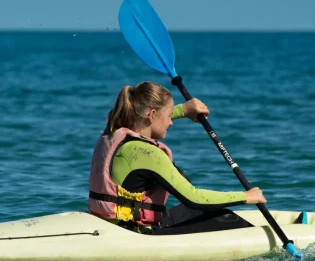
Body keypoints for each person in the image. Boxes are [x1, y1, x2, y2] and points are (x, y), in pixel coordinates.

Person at [88, 81, 266, 235]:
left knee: (195, 212)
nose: (171, 122)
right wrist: (246, 197)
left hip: (111, 224)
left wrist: (184, 109)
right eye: (169, 115)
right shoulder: (147, 154)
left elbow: (144, 118)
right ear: (152, 115)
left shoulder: (111, 133)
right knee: (226, 218)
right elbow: (194, 198)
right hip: (136, 233)